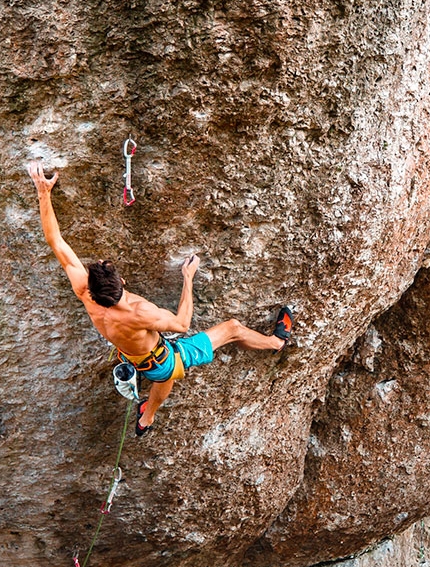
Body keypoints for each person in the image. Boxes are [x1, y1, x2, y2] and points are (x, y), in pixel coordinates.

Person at [27, 163, 292, 434]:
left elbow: (55, 240)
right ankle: (276, 342)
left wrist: (43, 192)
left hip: (130, 354)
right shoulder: (139, 312)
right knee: (231, 329)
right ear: (121, 282)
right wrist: (188, 279)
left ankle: (146, 418)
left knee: (162, 369)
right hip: (160, 361)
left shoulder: (84, 292)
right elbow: (181, 325)